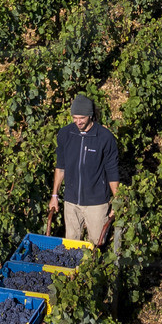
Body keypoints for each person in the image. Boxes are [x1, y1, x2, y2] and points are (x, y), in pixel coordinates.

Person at [50, 94, 121, 244]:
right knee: (71, 244)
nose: (78, 122)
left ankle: (95, 266)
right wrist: (54, 196)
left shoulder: (104, 137)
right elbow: (60, 167)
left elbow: (112, 171)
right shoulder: (65, 134)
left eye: (81, 118)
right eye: (74, 118)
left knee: (96, 244)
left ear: (90, 115)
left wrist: (117, 200)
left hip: (96, 203)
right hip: (71, 202)